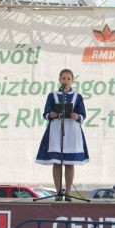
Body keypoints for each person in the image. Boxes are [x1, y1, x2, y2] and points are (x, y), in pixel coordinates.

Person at [36, 69, 89, 201]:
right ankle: (59, 191)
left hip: (72, 130)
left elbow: (83, 114)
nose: (66, 81)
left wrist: (77, 116)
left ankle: (69, 192)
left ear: (72, 81)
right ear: (59, 79)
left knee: (69, 163)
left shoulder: (77, 96)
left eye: (68, 78)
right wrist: (51, 114)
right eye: (63, 78)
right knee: (57, 162)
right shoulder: (52, 95)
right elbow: (45, 113)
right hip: (56, 130)